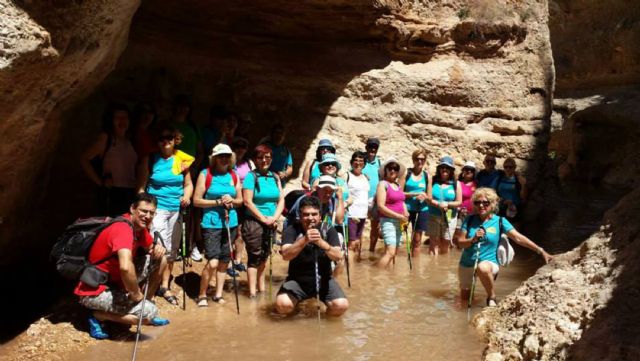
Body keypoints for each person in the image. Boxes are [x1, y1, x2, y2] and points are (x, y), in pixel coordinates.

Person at [74, 193, 170, 339]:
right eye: (144, 211)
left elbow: (151, 248)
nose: (148, 216)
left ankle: (146, 303)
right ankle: (98, 316)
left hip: (114, 281)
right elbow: (125, 266)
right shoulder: (122, 229)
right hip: (94, 290)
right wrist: (136, 294)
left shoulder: (138, 228)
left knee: (161, 259)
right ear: (132, 209)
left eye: (152, 213)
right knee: (146, 316)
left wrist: (157, 248)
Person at [457, 188, 552, 306]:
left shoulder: (500, 221)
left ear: (492, 204)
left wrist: (540, 251)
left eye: (485, 202)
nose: (481, 205)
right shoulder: (469, 219)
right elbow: (460, 242)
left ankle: (491, 297)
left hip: (489, 262)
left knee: (483, 267)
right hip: (467, 262)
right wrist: (473, 240)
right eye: (477, 202)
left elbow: (518, 238)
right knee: (465, 301)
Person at [138, 126, 194, 306]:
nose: (166, 141)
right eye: (162, 138)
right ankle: (149, 290)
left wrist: (187, 196)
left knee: (171, 250)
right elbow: (140, 187)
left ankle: (164, 286)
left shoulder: (181, 160)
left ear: (176, 139)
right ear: (157, 142)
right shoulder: (151, 159)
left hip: (176, 209)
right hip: (157, 209)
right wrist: (144, 211)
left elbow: (188, 185)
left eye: (169, 137)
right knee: (159, 248)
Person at [275, 196, 349, 317]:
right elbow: (286, 256)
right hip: (297, 280)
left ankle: (327, 324)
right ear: (300, 214)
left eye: (314, 214)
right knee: (283, 305)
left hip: (323, 279)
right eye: (306, 214)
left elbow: (338, 256)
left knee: (341, 306)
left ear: (320, 215)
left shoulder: (328, 229)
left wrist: (321, 243)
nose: (310, 218)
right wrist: (304, 240)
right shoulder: (291, 230)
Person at [193, 144, 243, 306]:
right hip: (211, 223)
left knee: (224, 261)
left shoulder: (234, 175)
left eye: (227, 156)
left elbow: (240, 201)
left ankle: (218, 294)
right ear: (214, 158)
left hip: (231, 222)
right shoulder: (205, 174)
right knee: (213, 261)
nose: (224, 159)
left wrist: (232, 201)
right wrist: (217, 201)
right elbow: (197, 200)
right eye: (221, 156)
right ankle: (201, 294)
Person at [81, 103, 138, 216]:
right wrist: (100, 182)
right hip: (113, 193)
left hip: (130, 192)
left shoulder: (130, 140)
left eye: (125, 118)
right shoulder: (106, 138)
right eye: (118, 118)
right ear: (111, 121)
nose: (122, 121)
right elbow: (84, 159)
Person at [242, 144, 284, 298]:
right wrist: (263, 219)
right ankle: (252, 293)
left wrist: (274, 218)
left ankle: (262, 289)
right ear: (255, 159)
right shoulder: (250, 177)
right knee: (254, 257)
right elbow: (247, 201)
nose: (264, 160)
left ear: (271, 159)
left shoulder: (275, 177)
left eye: (267, 157)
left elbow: (281, 200)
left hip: (271, 221)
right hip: (254, 222)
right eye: (260, 157)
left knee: (265, 256)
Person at [170, 95, 204, 262]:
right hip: (172, 168)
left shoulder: (192, 126)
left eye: (186, 106)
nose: (183, 109)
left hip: (191, 169)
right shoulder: (169, 125)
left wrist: (194, 165)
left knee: (189, 209)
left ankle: (187, 247)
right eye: (180, 105)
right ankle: (172, 246)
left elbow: (199, 149)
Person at [376, 158, 408, 268]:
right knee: (390, 252)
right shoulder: (382, 184)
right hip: (388, 221)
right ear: (386, 171)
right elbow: (381, 206)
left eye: (395, 169)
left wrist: (405, 211)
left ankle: (388, 278)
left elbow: (401, 201)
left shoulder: (397, 185)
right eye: (390, 168)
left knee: (393, 253)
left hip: (399, 221)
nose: (393, 171)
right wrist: (399, 216)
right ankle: (378, 275)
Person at [427, 156, 462, 255]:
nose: (445, 169)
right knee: (433, 244)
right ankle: (432, 267)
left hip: (449, 217)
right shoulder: (432, 181)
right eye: (442, 167)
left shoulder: (456, 183)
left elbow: (459, 202)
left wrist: (447, 204)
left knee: (445, 243)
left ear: (451, 170)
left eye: (447, 167)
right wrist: (437, 204)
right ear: (439, 169)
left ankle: (441, 267)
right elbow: (428, 198)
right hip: (433, 215)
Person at [401, 149, 431, 257]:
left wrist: (425, 197)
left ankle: (415, 269)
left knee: (417, 240)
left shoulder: (427, 176)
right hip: (406, 209)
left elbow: (430, 198)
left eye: (422, 159)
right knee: (399, 236)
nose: (420, 161)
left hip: (422, 209)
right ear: (413, 160)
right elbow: (399, 193)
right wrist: (414, 194)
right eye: (417, 159)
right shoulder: (406, 173)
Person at [346, 151, 370, 258]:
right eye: (356, 160)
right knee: (351, 243)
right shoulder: (347, 176)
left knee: (359, 242)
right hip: (351, 214)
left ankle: (356, 269)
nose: (358, 163)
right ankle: (349, 269)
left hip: (363, 214)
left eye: (361, 161)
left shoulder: (365, 177)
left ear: (364, 164)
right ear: (351, 162)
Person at [363, 138, 382, 252]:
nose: (373, 149)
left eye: (375, 147)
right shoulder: (360, 160)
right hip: (361, 199)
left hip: (376, 199)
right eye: (370, 147)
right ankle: (357, 252)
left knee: (375, 227)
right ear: (366, 147)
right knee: (359, 226)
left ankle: (371, 251)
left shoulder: (380, 163)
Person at [496, 157, 527, 226]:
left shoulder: (518, 179)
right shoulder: (500, 177)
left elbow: (523, 196)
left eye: (510, 167)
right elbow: (497, 192)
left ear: (514, 167)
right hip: (501, 208)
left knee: (514, 231)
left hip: (514, 209)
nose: (508, 169)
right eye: (506, 167)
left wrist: (523, 185)